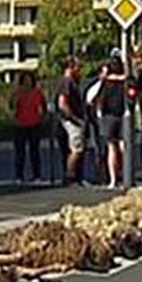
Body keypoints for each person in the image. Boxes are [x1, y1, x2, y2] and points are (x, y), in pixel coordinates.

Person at [11, 71, 46, 184]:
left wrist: (42, 118)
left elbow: (42, 107)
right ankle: (19, 176)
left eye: (29, 80)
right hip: (20, 125)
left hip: (34, 124)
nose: (27, 83)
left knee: (34, 151)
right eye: (25, 81)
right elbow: (12, 106)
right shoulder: (18, 93)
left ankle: (37, 175)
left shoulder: (37, 93)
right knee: (20, 152)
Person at [97, 58, 127, 189]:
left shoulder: (106, 82)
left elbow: (99, 99)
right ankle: (126, 175)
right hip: (123, 115)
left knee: (111, 148)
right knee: (124, 146)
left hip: (108, 116)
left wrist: (99, 114)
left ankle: (113, 179)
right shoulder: (126, 81)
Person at [56, 58, 87, 186]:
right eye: (79, 68)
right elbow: (62, 103)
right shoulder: (67, 82)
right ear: (72, 67)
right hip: (71, 121)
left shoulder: (73, 82)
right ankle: (70, 175)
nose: (80, 71)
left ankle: (75, 175)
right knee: (77, 149)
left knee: (77, 148)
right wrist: (74, 118)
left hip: (73, 120)